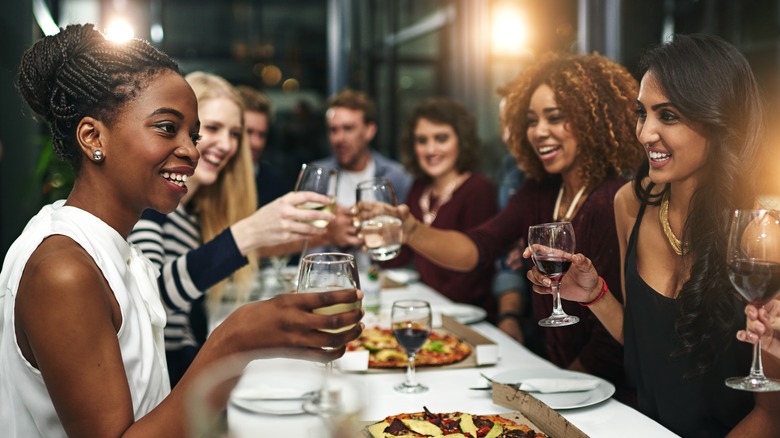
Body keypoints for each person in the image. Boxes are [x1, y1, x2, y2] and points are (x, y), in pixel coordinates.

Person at [0, 24, 363, 437]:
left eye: (193, 135)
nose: (192, 151)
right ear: (92, 137)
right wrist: (234, 340)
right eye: (167, 128)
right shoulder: (63, 271)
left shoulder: (118, 249)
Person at [525, 34, 780, 435]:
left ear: (719, 121)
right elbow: (646, 349)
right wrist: (592, 295)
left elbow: (770, 414)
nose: (645, 134)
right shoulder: (631, 204)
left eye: (669, 116)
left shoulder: (760, 238)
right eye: (642, 113)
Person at [395, 53, 643, 402]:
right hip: (555, 377)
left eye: (554, 117)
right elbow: (479, 247)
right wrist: (410, 230)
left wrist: (552, 396)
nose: (539, 132)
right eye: (531, 120)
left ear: (592, 121)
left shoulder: (612, 199)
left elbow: (616, 334)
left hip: (605, 397)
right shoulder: (540, 191)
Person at [129, 72, 335, 386]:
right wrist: (248, 232)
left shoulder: (190, 210)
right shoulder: (150, 204)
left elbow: (183, 323)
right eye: (212, 128)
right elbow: (151, 298)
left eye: (234, 134)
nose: (226, 145)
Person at [386, 98, 498, 317]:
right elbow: (400, 257)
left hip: (468, 316)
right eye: (422, 140)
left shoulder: (477, 189)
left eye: (441, 138)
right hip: (430, 309)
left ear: (462, 141)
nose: (431, 149)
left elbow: (475, 277)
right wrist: (381, 237)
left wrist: (424, 308)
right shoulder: (419, 188)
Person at [313, 88, 413, 249]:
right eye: (333, 130)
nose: (339, 138)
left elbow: (408, 239)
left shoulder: (397, 176)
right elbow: (299, 235)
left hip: (381, 271)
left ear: (369, 131)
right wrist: (328, 231)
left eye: (348, 128)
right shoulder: (319, 175)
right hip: (329, 270)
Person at [235, 84, 289, 206]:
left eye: (262, 135)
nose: (257, 143)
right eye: (248, 132)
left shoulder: (275, 184)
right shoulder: (211, 177)